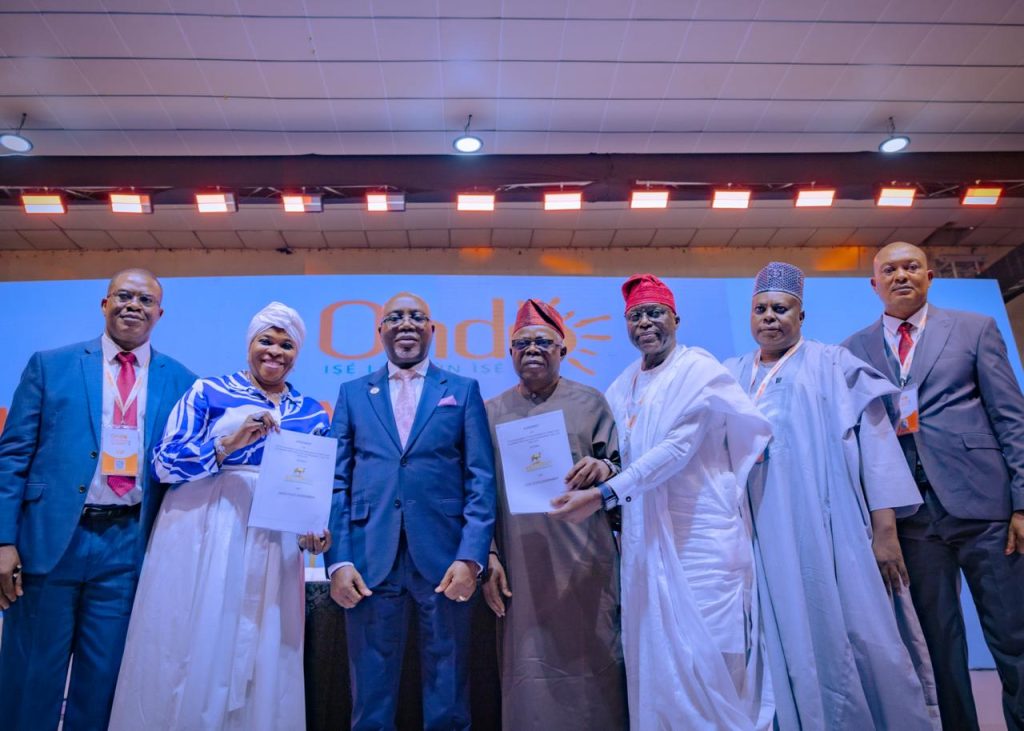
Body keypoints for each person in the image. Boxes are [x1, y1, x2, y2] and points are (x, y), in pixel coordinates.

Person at [550, 273, 774, 730]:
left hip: (703, 542)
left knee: (712, 660)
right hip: (645, 542)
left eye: (655, 313)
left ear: (676, 319)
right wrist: (603, 469)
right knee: (658, 663)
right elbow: (623, 455)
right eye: (635, 316)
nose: (645, 323)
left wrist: (605, 493)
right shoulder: (623, 385)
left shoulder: (699, 371)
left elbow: (675, 450)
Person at [725, 261, 935, 730]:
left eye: (781, 309)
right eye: (760, 309)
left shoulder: (834, 364)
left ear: (801, 316)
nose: (770, 317)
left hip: (830, 524)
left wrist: (885, 532)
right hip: (757, 529)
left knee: (856, 625)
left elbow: (877, 446)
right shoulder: (730, 373)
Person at [108, 301, 331, 731]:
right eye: (266, 340)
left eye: (286, 345)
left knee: (266, 640)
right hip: (206, 530)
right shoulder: (207, 391)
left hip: (274, 542)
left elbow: (316, 489)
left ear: (297, 354)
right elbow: (163, 463)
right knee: (199, 632)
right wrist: (226, 445)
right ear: (249, 344)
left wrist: (315, 531)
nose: (275, 351)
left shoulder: (312, 412)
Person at [0, 269, 195, 730]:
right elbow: (12, 457)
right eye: (123, 296)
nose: (133, 306)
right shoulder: (51, 366)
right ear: (104, 304)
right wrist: (3, 540)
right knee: (31, 676)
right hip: (51, 540)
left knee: (104, 681)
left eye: (145, 300)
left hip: (127, 545)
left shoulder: (183, 381)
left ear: (160, 313)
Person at [844, 242, 1024, 731]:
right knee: (936, 647)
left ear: (930, 276)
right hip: (912, 520)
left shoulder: (973, 329)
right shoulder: (852, 349)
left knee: (1014, 637)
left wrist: (1022, 504)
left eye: (912, 267)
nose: (901, 276)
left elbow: (1011, 417)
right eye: (890, 270)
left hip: (985, 509)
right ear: (874, 284)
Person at [326, 291, 496, 731]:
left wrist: (471, 556)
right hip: (369, 559)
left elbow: (480, 479)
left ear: (432, 330)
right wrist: (338, 561)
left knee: (448, 691)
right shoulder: (352, 394)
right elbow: (336, 482)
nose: (406, 324)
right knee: (370, 695)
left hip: (445, 559)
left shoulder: (462, 391)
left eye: (417, 316)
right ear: (380, 330)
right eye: (396, 317)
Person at [481, 299, 627, 730]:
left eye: (543, 342)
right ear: (510, 353)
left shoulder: (591, 402)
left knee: (594, 662)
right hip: (521, 565)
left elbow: (623, 474)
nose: (532, 349)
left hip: (585, 561)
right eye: (522, 343)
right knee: (526, 667)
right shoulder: (490, 412)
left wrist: (604, 469)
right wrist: (489, 555)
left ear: (563, 350)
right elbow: (478, 493)